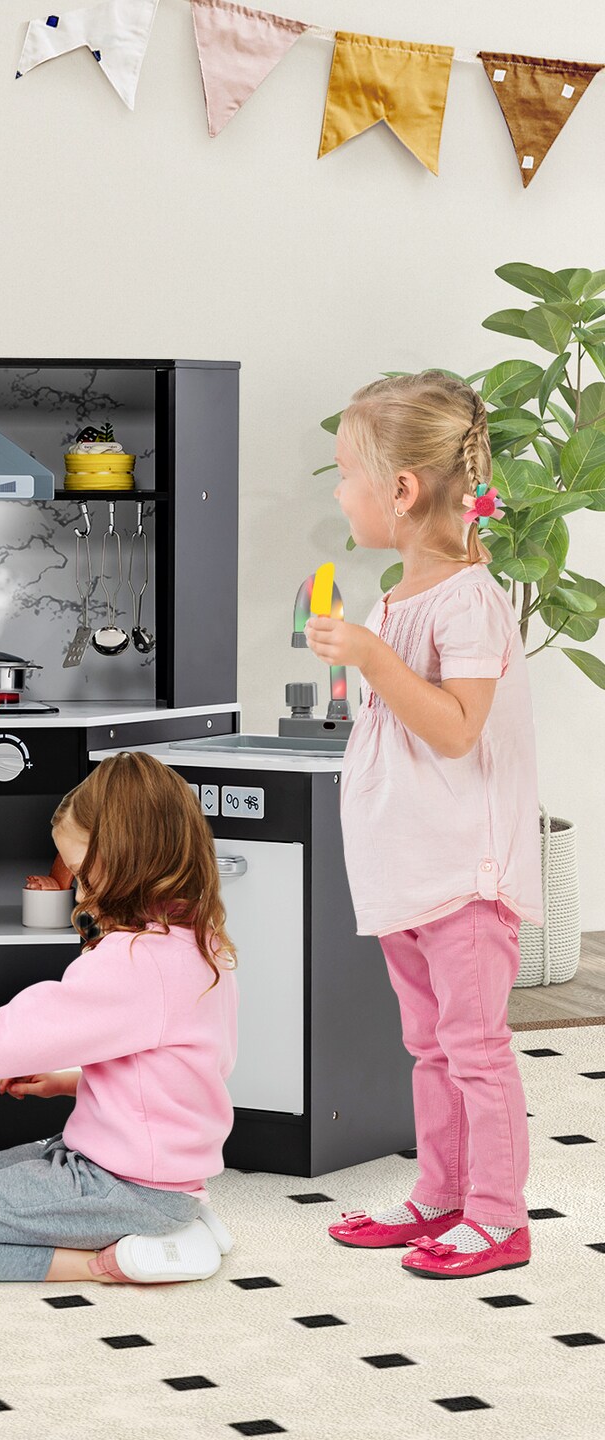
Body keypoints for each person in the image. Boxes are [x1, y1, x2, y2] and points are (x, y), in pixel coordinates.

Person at [307, 370, 543, 1279]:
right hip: (409, 872)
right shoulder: (398, 596)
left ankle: (499, 1218)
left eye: (346, 475)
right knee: (429, 1047)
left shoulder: (468, 600)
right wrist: (362, 653)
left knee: (474, 1049)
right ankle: (442, 1195)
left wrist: (369, 656)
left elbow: (455, 728)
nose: (339, 492)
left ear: (400, 491)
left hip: (463, 879)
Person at [0, 752, 238, 1285]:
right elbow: (183, 1076)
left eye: (82, 873)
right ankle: (177, 1222)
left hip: (125, 1187)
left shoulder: (133, 961)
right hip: (146, 1175)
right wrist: (70, 1081)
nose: (78, 893)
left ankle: (113, 1263)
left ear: (126, 857)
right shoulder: (198, 942)